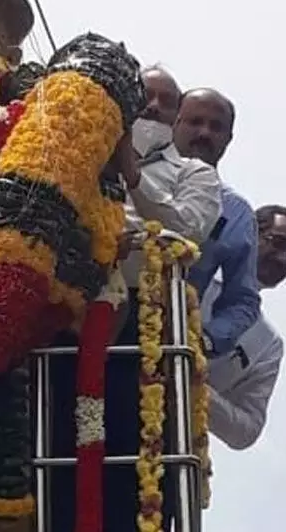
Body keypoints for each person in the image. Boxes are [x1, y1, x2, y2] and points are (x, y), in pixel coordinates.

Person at [51, 66, 222, 532]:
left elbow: (186, 229)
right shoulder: (83, 152)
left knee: (129, 448)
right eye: (143, 96)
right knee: (58, 438)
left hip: (143, 330)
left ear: (177, 115)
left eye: (165, 101)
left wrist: (131, 174)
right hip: (70, 314)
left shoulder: (195, 175)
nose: (151, 106)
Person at [202, 204, 286, 450]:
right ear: (250, 232)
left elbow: (246, 431)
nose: (283, 259)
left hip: (165, 445)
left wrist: (196, 391)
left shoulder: (267, 343)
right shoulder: (193, 268)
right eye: (278, 243)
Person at [174, 88, 261, 358]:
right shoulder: (132, 177)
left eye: (216, 127)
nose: (204, 134)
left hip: (169, 352)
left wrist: (207, 341)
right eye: (195, 122)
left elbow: (243, 299)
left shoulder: (236, 212)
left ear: (228, 139)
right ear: (174, 123)